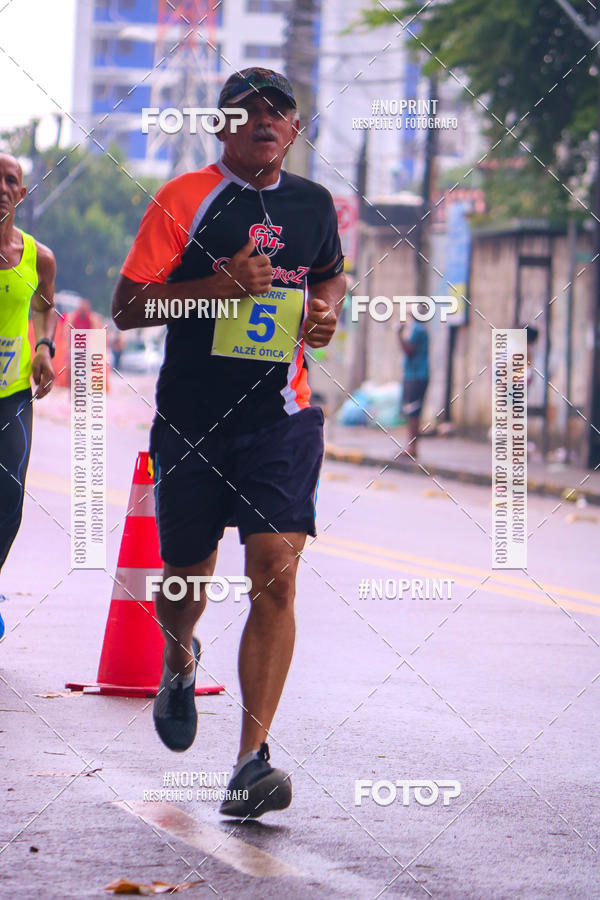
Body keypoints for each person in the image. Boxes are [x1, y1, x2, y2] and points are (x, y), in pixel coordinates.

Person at [112, 68, 345, 818]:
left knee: (276, 574)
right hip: (191, 419)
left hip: (281, 417)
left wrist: (325, 314)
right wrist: (216, 288)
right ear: (221, 125)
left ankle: (251, 760)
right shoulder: (183, 199)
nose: (265, 121)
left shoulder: (315, 205)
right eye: (247, 112)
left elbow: (330, 278)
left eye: (280, 112)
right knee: (186, 577)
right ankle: (178, 658)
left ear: (297, 131)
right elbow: (127, 306)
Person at [0, 153, 57, 631]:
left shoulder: (39, 258)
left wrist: (43, 347)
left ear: (21, 194)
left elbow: (43, 308)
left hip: (12, 394)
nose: (2, 186)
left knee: (8, 503)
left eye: (10, 180)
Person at [397, 302, 430, 459]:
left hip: (416, 375)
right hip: (415, 375)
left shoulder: (417, 330)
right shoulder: (419, 329)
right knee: (412, 412)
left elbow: (409, 350)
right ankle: (411, 446)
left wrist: (399, 334)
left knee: (413, 412)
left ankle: (412, 447)